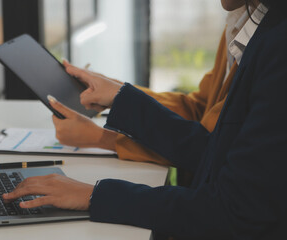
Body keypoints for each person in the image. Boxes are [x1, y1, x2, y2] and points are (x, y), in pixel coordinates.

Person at [3, 0, 287, 238]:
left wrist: (95, 186)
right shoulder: (257, 23)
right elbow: (213, 137)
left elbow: (235, 207)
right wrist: (119, 94)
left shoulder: (273, 44)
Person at [49, 5, 255, 166]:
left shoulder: (262, 43)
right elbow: (198, 108)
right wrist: (115, 89)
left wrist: (103, 138)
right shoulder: (238, 19)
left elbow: (206, 151)